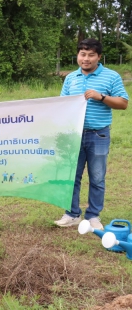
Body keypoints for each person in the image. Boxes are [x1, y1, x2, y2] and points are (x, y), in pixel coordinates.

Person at [54, 38, 129, 230]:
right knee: (72, 176)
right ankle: (72, 214)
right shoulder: (71, 78)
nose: (86, 59)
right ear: (78, 55)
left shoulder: (111, 76)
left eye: (91, 55)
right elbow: (63, 105)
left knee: (97, 178)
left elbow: (123, 103)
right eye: (82, 54)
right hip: (74, 136)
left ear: (99, 57)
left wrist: (101, 97)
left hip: (99, 135)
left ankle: (93, 216)